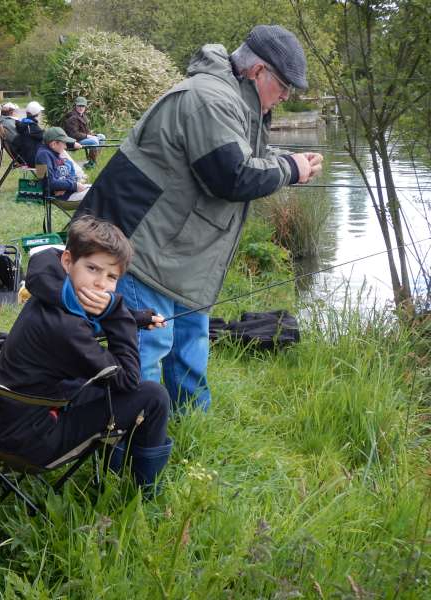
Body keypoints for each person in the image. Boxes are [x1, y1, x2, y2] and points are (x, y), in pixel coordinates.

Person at [74, 24, 324, 411]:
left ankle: (191, 428)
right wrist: (290, 169)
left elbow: (244, 156)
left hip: (181, 256)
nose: (287, 96)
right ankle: (137, 440)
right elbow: (233, 175)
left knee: (190, 347)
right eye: (284, 85)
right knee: (146, 351)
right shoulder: (210, 98)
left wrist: (288, 161)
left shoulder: (235, 102)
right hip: (142, 248)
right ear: (258, 71)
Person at [0, 216, 173, 488]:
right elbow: (128, 378)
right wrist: (118, 316)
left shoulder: (51, 290)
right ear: (67, 261)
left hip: (17, 418)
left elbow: (82, 319)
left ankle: (117, 463)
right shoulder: (66, 329)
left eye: (112, 277)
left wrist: (136, 318)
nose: (101, 284)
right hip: (32, 440)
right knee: (153, 396)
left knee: (106, 387)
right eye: (93, 268)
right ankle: (143, 491)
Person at [36, 127, 91, 201]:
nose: (65, 146)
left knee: (99, 188)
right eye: (64, 143)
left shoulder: (56, 153)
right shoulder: (42, 156)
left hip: (68, 191)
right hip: (60, 197)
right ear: (54, 144)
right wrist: (74, 186)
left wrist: (68, 186)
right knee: (98, 193)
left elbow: (68, 173)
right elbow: (47, 183)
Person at [63, 96, 105, 169]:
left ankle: (92, 159)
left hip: (82, 138)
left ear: (85, 107)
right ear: (75, 106)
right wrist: (88, 136)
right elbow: (74, 134)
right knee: (94, 141)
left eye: (83, 106)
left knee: (101, 137)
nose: (81, 108)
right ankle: (91, 163)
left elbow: (86, 131)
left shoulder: (83, 116)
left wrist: (93, 135)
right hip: (74, 140)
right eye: (79, 106)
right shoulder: (72, 117)